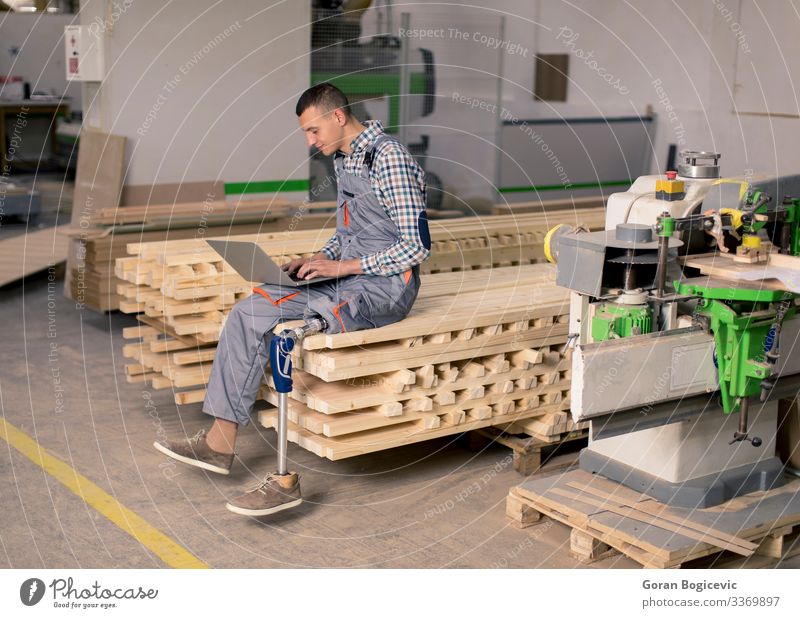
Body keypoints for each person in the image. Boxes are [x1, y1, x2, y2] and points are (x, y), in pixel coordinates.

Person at [155, 83, 431, 516]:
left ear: (338, 117)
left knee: (285, 335)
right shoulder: (345, 158)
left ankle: (285, 480)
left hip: (386, 287)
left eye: (312, 130)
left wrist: (342, 268)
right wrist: (320, 258)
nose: (311, 141)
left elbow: (415, 248)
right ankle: (218, 444)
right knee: (251, 311)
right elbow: (347, 236)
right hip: (348, 274)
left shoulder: (388, 157)